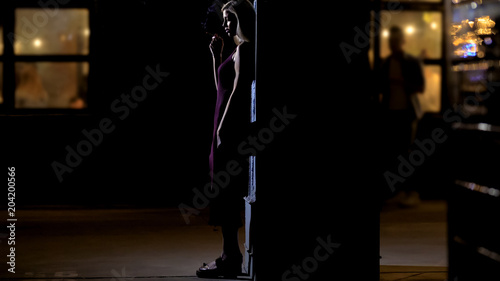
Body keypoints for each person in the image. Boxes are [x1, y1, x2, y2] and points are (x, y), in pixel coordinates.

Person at [197, 0, 255, 278]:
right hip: (221, 126)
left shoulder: (244, 49)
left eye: (230, 18)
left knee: (227, 193)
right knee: (223, 191)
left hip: (226, 129)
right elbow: (222, 87)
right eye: (225, 19)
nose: (226, 24)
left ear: (242, 19)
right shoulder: (234, 50)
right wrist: (216, 57)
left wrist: (222, 128)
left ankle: (230, 256)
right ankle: (229, 254)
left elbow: (239, 89)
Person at [380, 26, 425, 208]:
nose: (393, 45)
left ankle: (409, 191)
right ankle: (399, 192)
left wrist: (401, 83)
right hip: (391, 113)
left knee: (405, 151)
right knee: (393, 153)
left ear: (401, 42)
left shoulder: (409, 62)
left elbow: (420, 87)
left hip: (405, 113)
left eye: (395, 41)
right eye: (391, 41)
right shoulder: (386, 63)